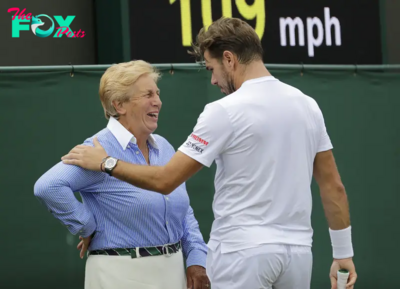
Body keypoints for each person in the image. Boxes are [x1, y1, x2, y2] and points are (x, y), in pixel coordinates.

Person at [61, 17, 357, 289]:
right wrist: (343, 253)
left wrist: (105, 162)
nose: (213, 81)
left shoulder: (224, 111)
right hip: (298, 257)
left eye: (211, 69)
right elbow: (334, 186)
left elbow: (166, 180)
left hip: (241, 255)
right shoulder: (308, 105)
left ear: (229, 60)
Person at [34, 60, 210, 289]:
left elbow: (183, 210)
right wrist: (88, 226)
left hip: (173, 273)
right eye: (148, 94)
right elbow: (48, 186)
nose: (158, 101)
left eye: (157, 93)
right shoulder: (97, 148)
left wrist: (196, 259)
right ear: (119, 105)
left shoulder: (164, 147)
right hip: (119, 275)